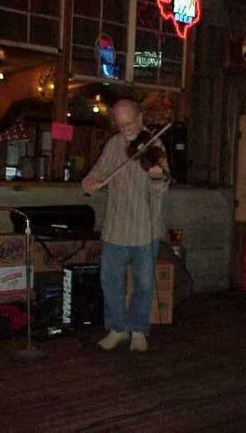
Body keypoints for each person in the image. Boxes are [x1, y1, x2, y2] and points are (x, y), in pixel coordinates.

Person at [82, 98, 169, 352]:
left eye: (130, 123)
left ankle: (139, 330)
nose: (127, 129)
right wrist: (89, 181)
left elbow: (161, 191)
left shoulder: (155, 145)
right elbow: (98, 171)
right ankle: (118, 328)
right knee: (111, 282)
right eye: (121, 125)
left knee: (143, 285)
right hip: (115, 227)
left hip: (145, 228)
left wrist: (157, 179)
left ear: (141, 118)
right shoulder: (113, 144)